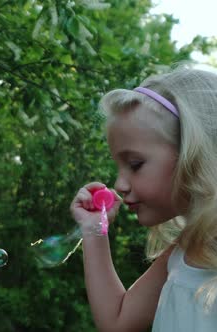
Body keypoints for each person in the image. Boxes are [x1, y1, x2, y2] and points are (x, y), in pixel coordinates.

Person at [70, 68, 217, 331]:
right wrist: (94, 231)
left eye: (135, 164)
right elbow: (118, 322)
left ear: (192, 154)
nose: (119, 184)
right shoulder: (184, 250)